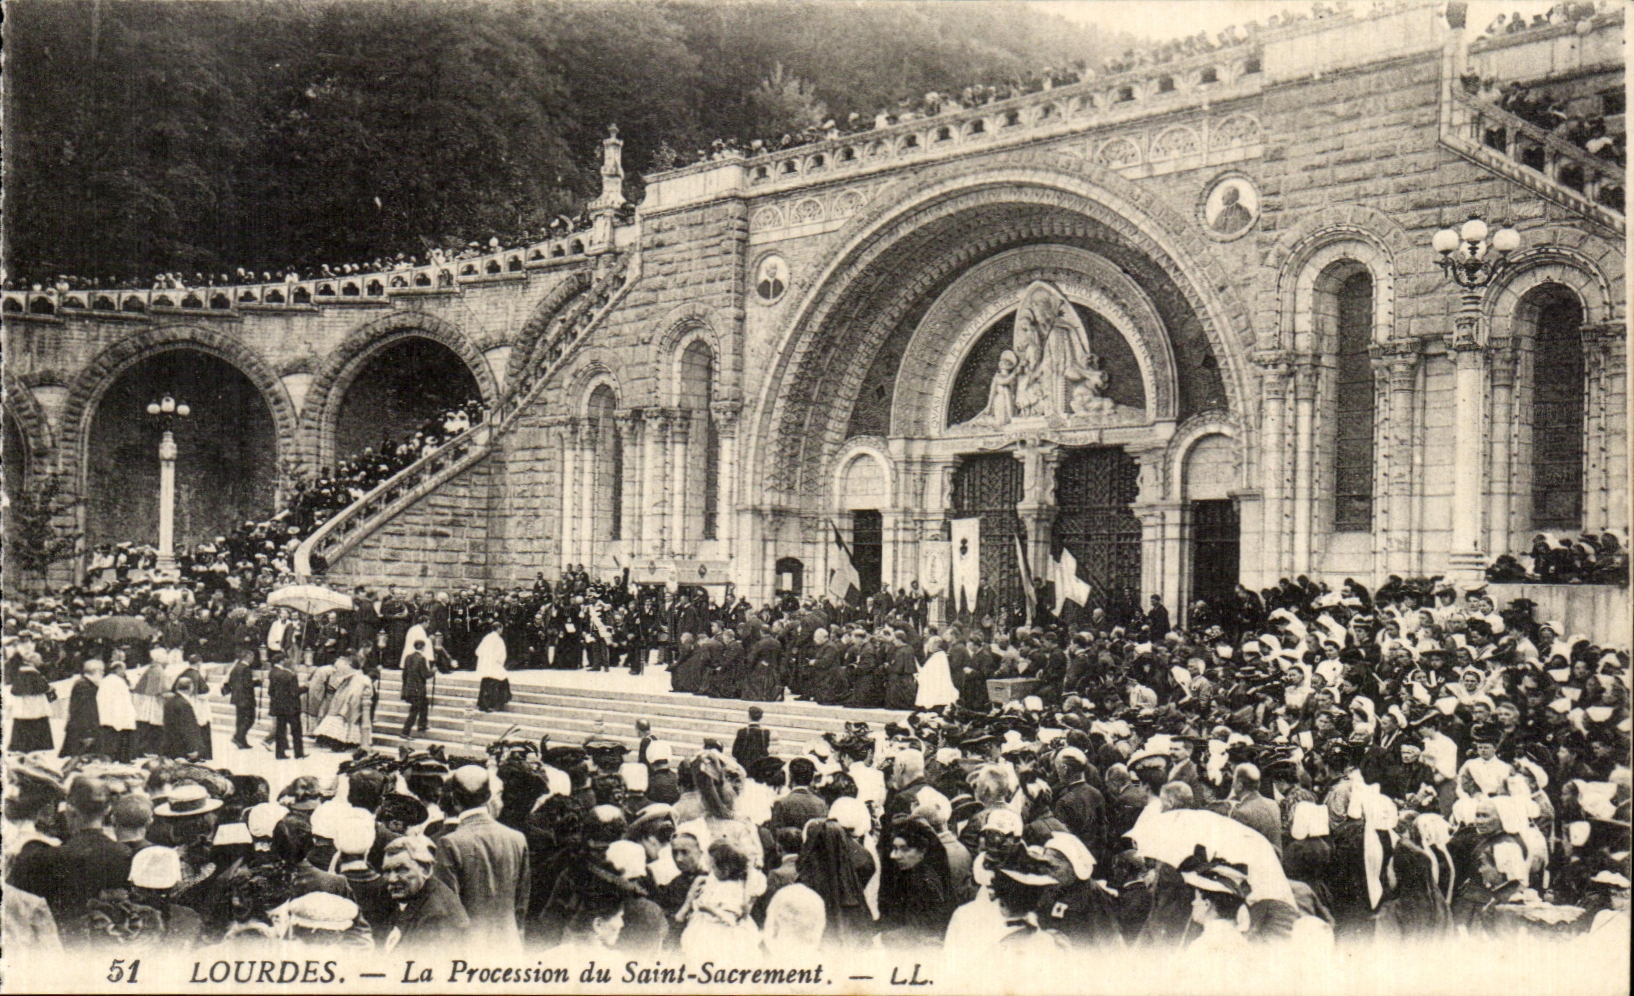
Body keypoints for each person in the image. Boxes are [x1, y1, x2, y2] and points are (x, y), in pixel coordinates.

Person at [433, 765, 530, 950]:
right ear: (487, 797)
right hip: (509, 944)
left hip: (468, 948)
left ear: (453, 799)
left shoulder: (450, 842)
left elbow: (447, 909)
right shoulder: (517, 838)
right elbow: (521, 902)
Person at [381, 835, 469, 951]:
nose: (392, 879)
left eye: (402, 870)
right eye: (387, 871)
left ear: (426, 870)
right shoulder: (417, 896)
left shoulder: (436, 917)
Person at [59, 658, 103, 758]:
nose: (102, 674)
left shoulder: (85, 684)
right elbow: (85, 711)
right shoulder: (84, 686)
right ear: (95, 671)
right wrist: (87, 733)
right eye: (101, 671)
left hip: (81, 730)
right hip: (83, 731)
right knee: (80, 761)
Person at [95, 661, 137, 762]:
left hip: (108, 714)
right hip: (120, 713)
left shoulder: (105, 681)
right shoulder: (118, 681)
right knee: (122, 737)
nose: (124, 672)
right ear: (117, 669)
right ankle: (123, 758)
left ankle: (112, 758)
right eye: (123, 669)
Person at [268, 653, 304, 760]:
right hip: (292, 708)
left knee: (280, 731)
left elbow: (270, 691)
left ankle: (280, 754)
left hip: (279, 707)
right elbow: (294, 692)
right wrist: (305, 688)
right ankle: (299, 753)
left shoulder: (273, 673)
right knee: (296, 731)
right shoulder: (291, 676)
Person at [225, 650, 260, 749]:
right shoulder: (246, 669)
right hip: (246, 699)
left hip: (237, 698)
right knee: (250, 719)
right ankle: (238, 737)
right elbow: (247, 684)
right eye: (252, 657)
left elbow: (231, 681)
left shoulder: (236, 667)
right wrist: (256, 682)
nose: (253, 659)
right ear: (247, 657)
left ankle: (242, 741)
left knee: (240, 720)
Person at [475, 619, 511, 712]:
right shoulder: (498, 640)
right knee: (500, 681)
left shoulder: (486, 637)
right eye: (501, 628)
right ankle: (493, 704)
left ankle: (482, 704)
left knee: (486, 682)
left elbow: (478, 651)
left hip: (486, 665)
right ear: (498, 628)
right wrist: (498, 663)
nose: (502, 630)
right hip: (494, 665)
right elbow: (501, 654)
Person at [401, 638, 433, 738]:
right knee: (414, 711)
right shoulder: (421, 659)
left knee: (425, 703)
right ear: (423, 647)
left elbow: (404, 674)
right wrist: (433, 671)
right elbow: (425, 674)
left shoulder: (408, 657)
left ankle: (422, 725)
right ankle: (405, 732)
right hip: (418, 689)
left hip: (409, 687)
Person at [916, 637, 959, 708]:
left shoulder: (937, 657)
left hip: (936, 695)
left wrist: (919, 672)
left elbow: (928, 673)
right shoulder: (940, 656)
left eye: (930, 644)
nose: (928, 646)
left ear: (935, 644)